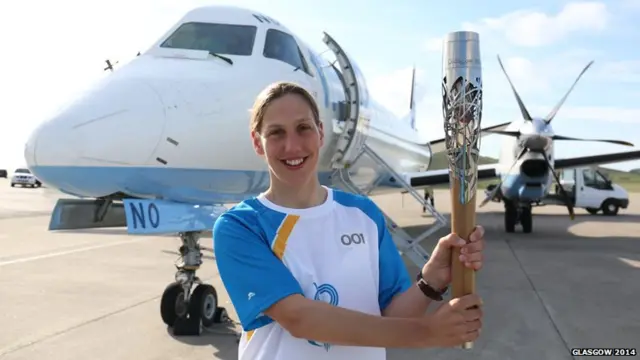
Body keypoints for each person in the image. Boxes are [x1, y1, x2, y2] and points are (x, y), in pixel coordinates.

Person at [213, 81, 485, 360]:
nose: (292, 145)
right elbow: (299, 319)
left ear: (320, 132)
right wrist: (427, 332)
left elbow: (393, 314)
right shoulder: (241, 226)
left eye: (303, 128)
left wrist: (432, 278)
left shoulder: (363, 213)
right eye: (276, 133)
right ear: (258, 142)